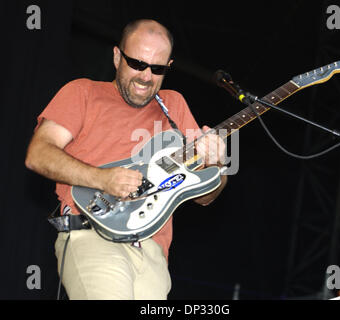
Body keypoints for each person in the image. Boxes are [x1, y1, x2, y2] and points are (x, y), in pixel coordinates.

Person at [25, 19, 227, 300]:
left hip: (153, 251)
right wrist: (102, 178)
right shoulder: (83, 92)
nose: (145, 76)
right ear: (117, 56)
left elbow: (206, 197)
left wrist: (217, 163)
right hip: (91, 234)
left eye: (157, 69)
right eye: (137, 64)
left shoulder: (175, 105)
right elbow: (38, 154)